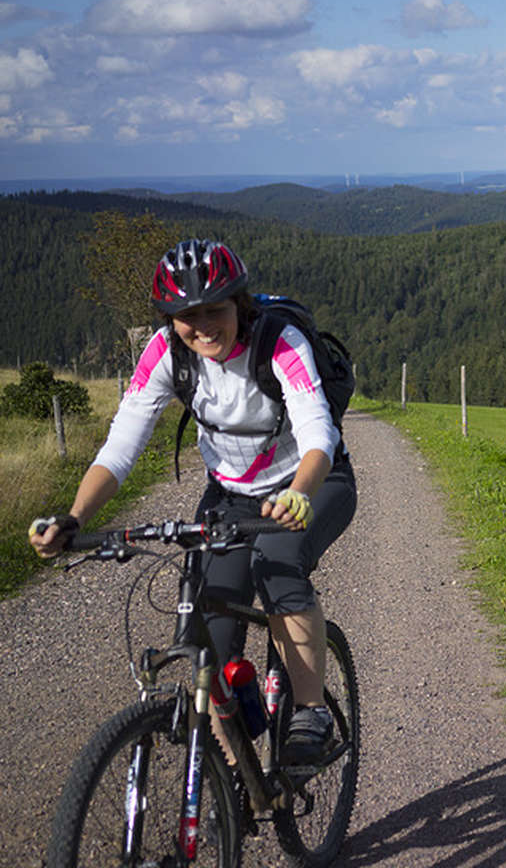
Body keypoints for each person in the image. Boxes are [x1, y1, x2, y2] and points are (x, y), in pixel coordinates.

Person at [30, 238, 357, 765]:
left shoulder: (279, 341)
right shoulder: (166, 352)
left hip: (315, 484)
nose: (202, 325)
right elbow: (120, 448)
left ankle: (312, 710)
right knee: (213, 634)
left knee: (277, 567)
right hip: (231, 497)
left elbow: (317, 433)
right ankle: (241, 782)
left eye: (215, 310)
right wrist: (74, 518)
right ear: (169, 317)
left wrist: (299, 492)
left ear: (239, 304)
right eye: (186, 315)